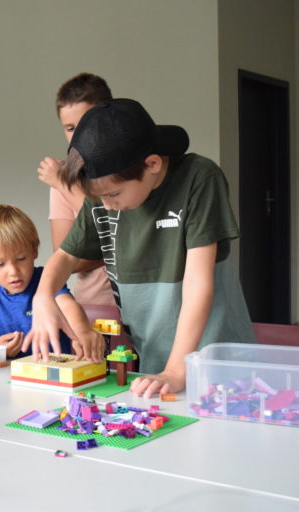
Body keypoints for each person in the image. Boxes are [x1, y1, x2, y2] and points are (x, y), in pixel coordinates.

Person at [24, 98, 255, 398]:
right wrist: (43, 295)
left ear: (152, 164)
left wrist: (177, 370)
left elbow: (198, 282)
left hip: (213, 359)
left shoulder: (199, 177)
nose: (106, 205)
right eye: (99, 198)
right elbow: (65, 256)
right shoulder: (103, 192)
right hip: (156, 363)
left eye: (113, 194)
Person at [0, 205, 103, 360]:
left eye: (21, 259)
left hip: (54, 369)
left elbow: (67, 304)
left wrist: (82, 330)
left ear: (34, 250)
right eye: (0, 264)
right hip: (9, 372)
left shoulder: (46, 279)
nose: (13, 271)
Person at [37, 73, 115, 307]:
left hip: (143, 305)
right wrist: (114, 251)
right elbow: (66, 257)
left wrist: (63, 185)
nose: (78, 135)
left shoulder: (131, 171)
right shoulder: (64, 176)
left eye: (85, 124)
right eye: (70, 128)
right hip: (95, 306)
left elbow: (122, 233)